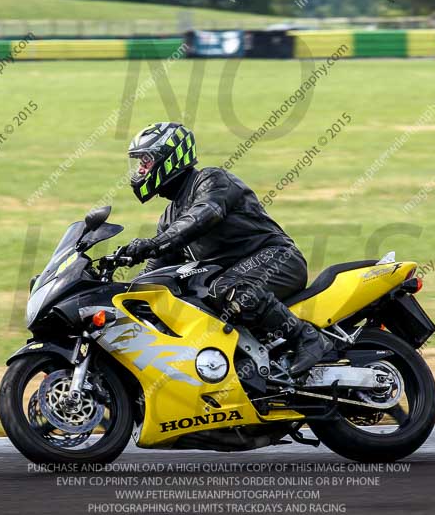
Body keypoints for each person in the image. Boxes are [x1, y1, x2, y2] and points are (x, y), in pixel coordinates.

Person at [122, 122, 332, 376]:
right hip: (236, 276)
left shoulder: (211, 179)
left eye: (146, 161)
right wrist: (123, 294)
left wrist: (153, 243)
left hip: (277, 259)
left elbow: (202, 215)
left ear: (170, 157)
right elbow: (154, 275)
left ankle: (306, 337)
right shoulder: (169, 217)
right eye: (140, 164)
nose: (141, 170)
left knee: (225, 288)